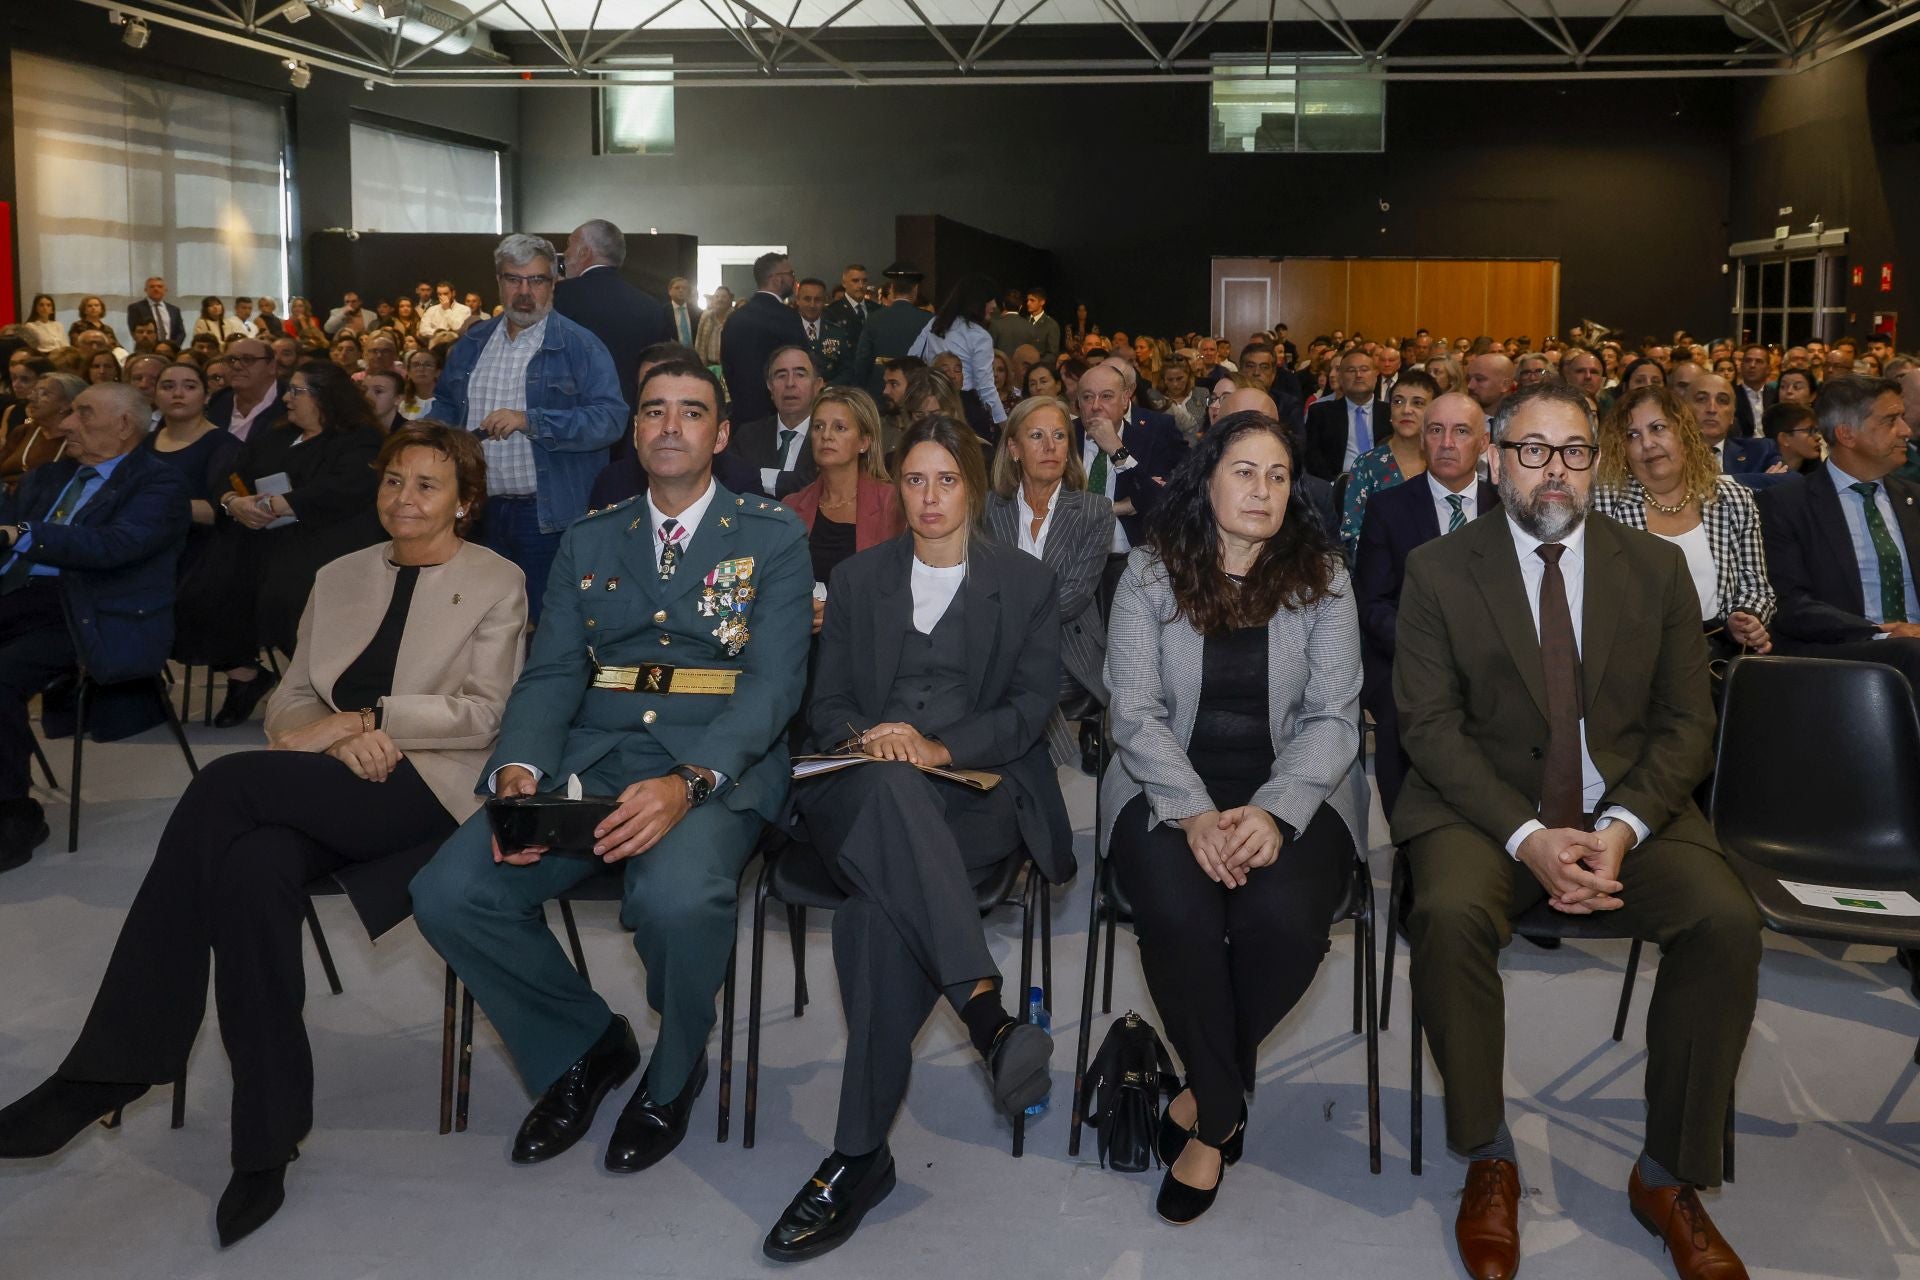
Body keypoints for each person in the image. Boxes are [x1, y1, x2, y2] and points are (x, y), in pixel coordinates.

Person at [0, 424, 525, 1245]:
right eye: (394, 480)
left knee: (224, 784)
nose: (404, 498)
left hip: (427, 785)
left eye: (428, 485)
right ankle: (266, 1138)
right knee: (251, 868)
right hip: (330, 774)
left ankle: (113, 1066)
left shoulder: (496, 580)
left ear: (467, 501)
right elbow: (291, 699)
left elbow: (483, 714)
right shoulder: (341, 574)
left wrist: (368, 719)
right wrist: (335, 735)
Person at [1392, 380, 1760, 1280]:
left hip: (1624, 811)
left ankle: (1667, 1176)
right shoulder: (1439, 569)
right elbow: (1429, 728)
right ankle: (1488, 1156)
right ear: (1495, 462)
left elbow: (1688, 724)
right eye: (1532, 450)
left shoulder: (1655, 569)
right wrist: (1529, 836)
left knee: (1724, 920)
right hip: (1485, 813)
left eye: (1573, 451)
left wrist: (1623, 827)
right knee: (1447, 915)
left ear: (1597, 464)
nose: (1553, 469)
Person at [410, 359, 811, 1183]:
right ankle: (584, 1043)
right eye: (654, 410)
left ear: (720, 435)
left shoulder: (771, 536)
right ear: (634, 431)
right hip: (593, 757)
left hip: (716, 763)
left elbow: (773, 686)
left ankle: (675, 1068)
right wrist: (520, 769)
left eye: (691, 412)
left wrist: (689, 782)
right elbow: (554, 671)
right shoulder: (591, 537)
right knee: (451, 891)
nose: (671, 425)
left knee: (677, 899)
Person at [763, 415, 1071, 1262]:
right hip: (861, 784)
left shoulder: (1026, 583)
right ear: (894, 487)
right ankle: (986, 1014)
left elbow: (1028, 710)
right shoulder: (858, 579)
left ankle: (857, 1157)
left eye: (946, 480)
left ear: (973, 485)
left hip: (973, 791)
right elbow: (826, 706)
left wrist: (939, 747)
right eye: (913, 481)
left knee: (874, 918)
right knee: (891, 789)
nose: (929, 498)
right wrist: (875, 739)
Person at [1098, 409, 1365, 1225]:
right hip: (1163, 785)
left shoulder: (1323, 576)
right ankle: (1217, 1119)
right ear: (1206, 481)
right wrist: (1194, 815)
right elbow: (1134, 712)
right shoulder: (1150, 574)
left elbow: (1333, 717)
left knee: (1282, 925)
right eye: (1244, 471)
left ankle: (1200, 1092)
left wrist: (1276, 813)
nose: (1263, 489)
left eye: (1278, 476)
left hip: (1296, 787)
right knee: (1179, 917)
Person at [0, 383, 190, 870]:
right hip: (19, 597)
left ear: (124, 425)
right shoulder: (49, 476)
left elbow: (115, 547)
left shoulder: (158, 484)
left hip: (93, 611)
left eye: (82, 414)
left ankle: (14, 811)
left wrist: (26, 534)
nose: (66, 424)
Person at [431, 233, 628, 623]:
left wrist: (531, 420)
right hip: (477, 511)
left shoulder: (580, 346)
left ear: (554, 283)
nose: (525, 292)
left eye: (536, 280)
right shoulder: (472, 343)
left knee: (548, 625)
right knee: (478, 623)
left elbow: (610, 420)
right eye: (514, 279)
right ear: (499, 282)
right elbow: (446, 406)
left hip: (547, 519)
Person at [188, 361, 385, 725]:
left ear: (325, 397)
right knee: (206, 586)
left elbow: (345, 487)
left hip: (328, 539)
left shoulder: (359, 438)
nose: (287, 399)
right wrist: (234, 502)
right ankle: (245, 675)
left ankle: (329, 690)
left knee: (284, 592)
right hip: (265, 537)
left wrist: (279, 505)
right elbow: (229, 475)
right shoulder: (278, 435)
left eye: (297, 391)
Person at [1353, 392, 1497, 817]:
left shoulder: (1506, 508)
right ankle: (1411, 832)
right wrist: (1428, 650)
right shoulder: (1388, 508)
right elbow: (1372, 602)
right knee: (1404, 712)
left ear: (1484, 443)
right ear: (1422, 440)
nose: (1447, 443)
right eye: (1436, 430)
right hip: (1408, 656)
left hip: (1495, 656)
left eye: (1461, 431)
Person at [1591, 386, 1775, 666]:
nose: (1647, 443)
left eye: (1658, 428)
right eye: (1632, 435)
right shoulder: (1602, 505)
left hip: (1717, 660)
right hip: (1632, 662)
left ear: (1683, 433)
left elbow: (1756, 586)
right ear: (1622, 449)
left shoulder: (1733, 500)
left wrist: (1746, 616)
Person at [1759, 374, 1920, 689]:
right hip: (1840, 652)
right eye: (1891, 421)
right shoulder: (1786, 505)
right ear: (1847, 434)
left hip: (1913, 647)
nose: (1906, 430)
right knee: (1911, 652)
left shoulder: (1914, 500)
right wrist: (1880, 631)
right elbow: (1789, 604)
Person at [984, 395, 1116, 747]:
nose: (1050, 446)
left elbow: (1073, 597)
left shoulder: (1094, 511)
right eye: (1036, 436)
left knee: (1012, 682)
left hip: (1067, 650)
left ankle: (1032, 762)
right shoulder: (988, 508)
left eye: (1059, 436)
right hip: (999, 646)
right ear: (1014, 449)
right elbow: (981, 587)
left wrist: (1012, 625)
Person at [784, 386, 902, 613]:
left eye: (839, 428)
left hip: (866, 628)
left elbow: (900, 586)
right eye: (818, 426)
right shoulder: (791, 506)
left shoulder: (892, 503)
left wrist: (836, 613)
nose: (826, 435)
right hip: (805, 629)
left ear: (864, 442)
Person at [556, 218, 672, 444]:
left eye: (569, 245)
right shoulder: (650, 306)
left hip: (574, 424)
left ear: (584, 252)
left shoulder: (560, 298)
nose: (565, 253)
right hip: (633, 425)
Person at [142, 362, 242, 581]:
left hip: (199, 560)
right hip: (145, 553)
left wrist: (153, 503)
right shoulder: (144, 442)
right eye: (168, 387)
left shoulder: (224, 445)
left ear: (206, 396)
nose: (178, 394)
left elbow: (220, 511)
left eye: (189, 387)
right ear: (156, 396)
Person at [1338, 369, 1439, 559]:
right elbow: (1352, 534)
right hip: (1379, 568)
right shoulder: (1368, 465)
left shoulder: (1443, 463)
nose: (1406, 410)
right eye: (1398, 402)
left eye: (1417, 403)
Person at [909, 274, 1008, 429]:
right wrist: (1004, 425)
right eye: (990, 300)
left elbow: (912, 356)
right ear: (977, 302)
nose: (994, 305)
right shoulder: (980, 336)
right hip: (965, 405)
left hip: (933, 399)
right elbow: (986, 388)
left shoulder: (934, 323)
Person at [723, 252, 808, 428]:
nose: (794, 279)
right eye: (791, 274)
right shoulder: (787, 317)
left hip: (741, 416)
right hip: (778, 418)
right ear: (777, 279)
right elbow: (802, 364)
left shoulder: (734, 318)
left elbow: (727, 365)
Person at [729, 345, 824, 499]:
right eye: (781, 376)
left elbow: (823, 484)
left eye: (800, 375)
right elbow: (731, 479)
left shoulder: (828, 436)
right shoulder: (748, 436)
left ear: (817, 385)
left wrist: (761, 476)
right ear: (770, 386)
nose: (790, 383)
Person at [1304, 349, 1384, 480]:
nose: (1358, 375)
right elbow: (1312, 458)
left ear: (1376, 374)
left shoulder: (1390, 413)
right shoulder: (1320, 413)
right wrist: (1335, 485)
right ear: (1340, 378)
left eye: (1364, 369)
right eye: (1351, 370)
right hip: (1337, 484)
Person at [852, 264, 928, 397]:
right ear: (915, 289)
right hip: (916, 388)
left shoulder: (874, 318)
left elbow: (862, 360)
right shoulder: (928, 320)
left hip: (880, 388)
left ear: (891, 289)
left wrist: (860, 391)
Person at [1, 372, 80, 494]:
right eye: (34, 392)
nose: (31, 398)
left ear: (66, 404)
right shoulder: (22, 432)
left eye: (44, 394)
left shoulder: (77, 441)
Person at [1691, 373, 1778, 476]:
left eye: (1722, 401)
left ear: (1732, 415)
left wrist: (1726, 480)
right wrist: (1759, 480)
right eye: (1701, 399)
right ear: (1683, 408)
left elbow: (1787, 480)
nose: (1712, 409)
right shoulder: (1674, 456)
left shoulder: (1760, 451)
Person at [205, 338, 288, 443]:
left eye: (248, 360)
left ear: (272, 366)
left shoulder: (290, 402)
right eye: (231, 360)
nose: (236, 366)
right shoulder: (219, 400)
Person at [794, 277, 855, 385]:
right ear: (798, 300)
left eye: (818, 300)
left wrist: (828, 387)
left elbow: (847, 370)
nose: (812, 305)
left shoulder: (837, 333)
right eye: (807, 299)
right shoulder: (787, 331)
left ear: (825, 301)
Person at [1762, 400, 1823, 475]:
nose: (1817, 437)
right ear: (1784, 438)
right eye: (1809, 431)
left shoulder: (1817, 469)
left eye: (1816, 430)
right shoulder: (1757, 470)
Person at [821, 263, 872, 346]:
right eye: (855, 281)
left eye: (864, 281)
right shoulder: (831, 311)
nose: (861, 285)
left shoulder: (877, 309)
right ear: (844, 283)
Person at [1733, 343, 1777, 436]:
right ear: (1741, 366)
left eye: (1759, 361)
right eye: (1748, 361)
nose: (1752, 365)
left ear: (1768, 369)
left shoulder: (1775, 396)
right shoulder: (1732, 395)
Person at [127, 277, 183, 348]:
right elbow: (134, 330)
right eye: (152, 286)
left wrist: (173, 347)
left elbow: (181, 332)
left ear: (165, 290)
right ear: (145, 290)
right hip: (147, 349)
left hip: (170, 350)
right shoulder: (135, 308)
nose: (156, 289)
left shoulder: (174, 310)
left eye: (160, 286)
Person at [694, 285, 733, 366]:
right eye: (717, 296)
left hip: (729, 365)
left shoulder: (735, 318)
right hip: (709, 365)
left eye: (724, 297)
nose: (720, 299)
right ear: (713, 300)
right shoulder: (706, 317)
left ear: (730, 300)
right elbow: (699, 341)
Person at [364, 368, 408, 433]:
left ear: (398, 399)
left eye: (378, 391)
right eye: (365, 390)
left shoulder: (408, 433)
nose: (368, 396)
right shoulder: (358, 430)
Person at [665, 276, 702, 349]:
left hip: (693, 352)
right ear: (669, 291)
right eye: (677, 288)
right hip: (671, 352)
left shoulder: (698, 312)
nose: (681, 290)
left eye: (684, 288)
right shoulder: (663, 312)